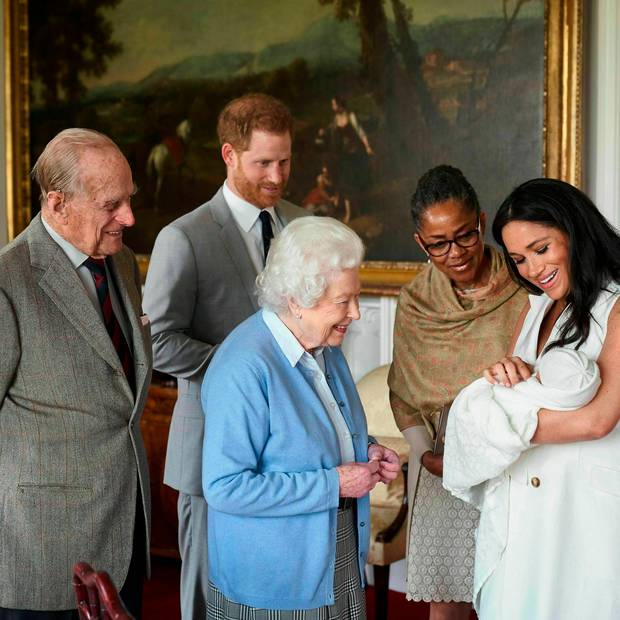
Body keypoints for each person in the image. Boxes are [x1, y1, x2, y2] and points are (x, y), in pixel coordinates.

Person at [142, 93, 309, 619]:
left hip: (291, 455)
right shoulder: (183, 237)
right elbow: (159, 341)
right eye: (263, 163)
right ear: (229, 155)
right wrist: (247, 373)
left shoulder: (303, 226)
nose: (277, 176)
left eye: (285, 161)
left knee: (273, 597)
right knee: (204, 599)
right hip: (212, 448)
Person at [201, 216, 400, 617]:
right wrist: (335, 483)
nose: (356, 313)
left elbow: (321, 435)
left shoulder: (324, 345)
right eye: (343, 301)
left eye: (356, 297)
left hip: (335, 552)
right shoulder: (244, 367)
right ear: (296, 300)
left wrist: (369, 451)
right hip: (275, 581)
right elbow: (225, 487)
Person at [0, 128, 152, 619]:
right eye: (112, 204)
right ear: (57, 203)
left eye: (129, 200)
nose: (128, 218)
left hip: (125, 531)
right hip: (42, 550)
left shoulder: (122, 261)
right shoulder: (8, 281)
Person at [471, 177, 620, 620]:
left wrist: (493, 424)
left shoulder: (616, 306)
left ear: (574, 231)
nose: (532, 270)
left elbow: (599, 419)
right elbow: (522, 389)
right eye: (518, 259)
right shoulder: (538, 306)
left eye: (541, 249)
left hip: (584, 510)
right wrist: (507, 374)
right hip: (526, 505)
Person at [387, 165, 527, 620]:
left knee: (515, 593)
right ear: (420, 243)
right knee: (450, 603)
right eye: (438, 244)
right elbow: (405, 393)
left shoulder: (525, 284)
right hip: (445, 461)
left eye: (465, 236)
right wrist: (425, 452)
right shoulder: (416, 303)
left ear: (482, 222)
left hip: (518, 453)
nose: (456, 253)